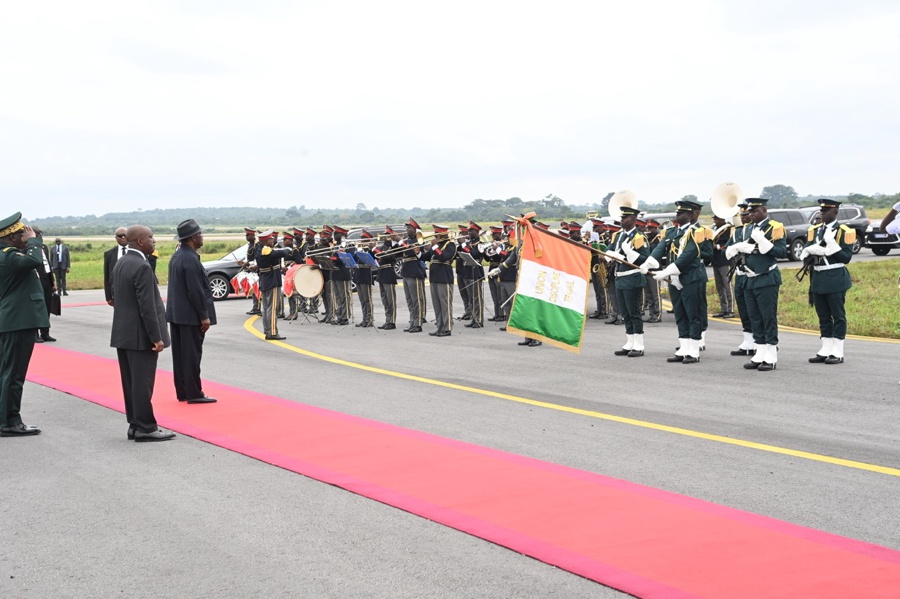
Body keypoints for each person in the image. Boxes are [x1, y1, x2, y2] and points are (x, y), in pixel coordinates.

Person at [110, 225, 175, 442]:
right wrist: (156, 337)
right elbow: (147, 306)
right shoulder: (142, 266)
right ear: (140, 241)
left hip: (124, 333)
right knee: (142, 384)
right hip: (141, 336)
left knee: (131, 383)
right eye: (150, 237)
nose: (153, 241)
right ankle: (146, 427)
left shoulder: (122, 262)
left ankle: (135, 424)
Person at [0, 213, 48, 437]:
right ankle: (10, 422)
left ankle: (5, 419)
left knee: (8, 373)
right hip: (18, 321)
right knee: (14, 374)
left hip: (13, 320)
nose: (26, 236)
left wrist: (29, 242)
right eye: (22, 234)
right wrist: (34, 242)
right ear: (11, 237)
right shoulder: (9, 256)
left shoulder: (7, 254)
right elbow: (34, 261)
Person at [644, 200, 707, 364]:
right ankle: (684, 347)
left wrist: (666, 271)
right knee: (680, 313)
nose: (677, 215)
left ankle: (694, 350)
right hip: (675, 278)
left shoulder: (697, 232)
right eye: (677, 213)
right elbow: (660, 248)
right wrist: (649, 263)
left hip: (691, 277)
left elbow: (689, 254)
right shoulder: (671, 232)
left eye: (681, 213)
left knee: (693, 314)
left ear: (690, 215)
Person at [728, 198, 787, 371]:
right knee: (755, 318)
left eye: (755, 211)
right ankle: (760, 352)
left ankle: (771, 354)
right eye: (750, 211)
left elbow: (781, 252)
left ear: (764, 211)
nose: (751, 214)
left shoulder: (774, 227)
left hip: (766, 278)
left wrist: (763, 242)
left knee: (767, 317)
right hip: (749, 279)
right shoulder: (747, 229)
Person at [166, 219, 217, 404]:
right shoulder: (190, 259)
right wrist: (204, 316)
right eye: (200, 234)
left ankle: (183, 391)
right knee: (192, 356)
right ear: (193, 237)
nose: (202, 237)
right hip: (190, 316)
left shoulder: (177, 256)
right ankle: (194, 393)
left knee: (180, 356)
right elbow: (195, 291)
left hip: (177, 315)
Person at [802, 199, 854, 364]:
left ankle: (838, 351)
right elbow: (808, 252)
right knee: (823, 315)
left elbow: (846, 258)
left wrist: (832, 245)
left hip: (835, 277)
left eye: (826, 211)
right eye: (821, 211)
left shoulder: (844, 231)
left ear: (835, 212)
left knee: (837, 315)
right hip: (818, 277)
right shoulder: (814, 230)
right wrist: (809, 251)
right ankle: (826, 348)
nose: (822, 214)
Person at [603, 207, 650, 357]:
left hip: (632, 278)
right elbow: (609, 250)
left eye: (625, 218)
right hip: (620, 278)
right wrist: (611, 255)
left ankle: (639, 344)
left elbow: (645, 258)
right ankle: (630, 341)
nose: (622, 220)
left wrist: (628, 253)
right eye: (622, 218)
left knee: (634, 312)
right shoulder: (618, 236)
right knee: (625, 313)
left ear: (634, 220)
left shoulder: (639, 237)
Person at [726, 203, 756, 356]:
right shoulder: (737, 231)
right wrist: (731, 250)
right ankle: (748, 340)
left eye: (745, 215)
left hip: (751, 273)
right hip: (739, 273)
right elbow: (728, 248)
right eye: (741, 215)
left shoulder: (754, 229)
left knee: (754, 309)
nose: (743, 218)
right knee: (743, 308)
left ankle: (759, 340)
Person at [255, 230, 293, 340]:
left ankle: (267, 331)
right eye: (271, 239)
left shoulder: (259, 249)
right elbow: (283, 253)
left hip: (265, 281)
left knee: (266, 308)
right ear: (266, 241)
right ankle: (272, 332)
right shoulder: (267, 251)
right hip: (272, 281)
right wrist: (289, 249)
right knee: (272, 308)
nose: (273, 241)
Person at [420, 225, 457, 337]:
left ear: (443, 234)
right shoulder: (437, 246)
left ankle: (447, 328)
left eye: (437, 233)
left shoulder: (450, 245)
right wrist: (417, 252)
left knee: (445, 304)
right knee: (437, 305)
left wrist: (435, 246)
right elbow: (425, 257)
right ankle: (440, 327)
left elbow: (444, 257)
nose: (435, 236)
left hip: (444, 278)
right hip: (434, 277)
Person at [400, 219, 427, 333]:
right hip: (406, 272)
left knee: (416, 300)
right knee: (410, 300)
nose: (407, 230)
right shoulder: (407, 241)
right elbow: (399, 253)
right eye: (407, 228)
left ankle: (418, 323)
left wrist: (400, 242)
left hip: (414, 272)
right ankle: (412, 322)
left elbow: (411, 251)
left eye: (409, 228)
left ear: (415, 230)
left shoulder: (419, 240)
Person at [31, 227, 56, 343]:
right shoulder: (29, 248)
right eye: (39, 234)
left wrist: (52, 281)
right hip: (37, 280)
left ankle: (45, 333)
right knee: (37, 308)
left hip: (47, 279)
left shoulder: (44, 247)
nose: (41, 236)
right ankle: (35, 334)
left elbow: (48, 265)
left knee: (47, 306)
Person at [373, 226, 400, 329]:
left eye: (388, 235)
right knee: (384, 299)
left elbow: (388, 256)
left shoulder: (394, 246)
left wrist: (376, 250)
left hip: (389, 273)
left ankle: (392, 321)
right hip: (381, 274)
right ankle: (387, 319)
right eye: (385, 235)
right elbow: (376, 255)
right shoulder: (383, 246)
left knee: (390, 300)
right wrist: (373, 249)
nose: (385, 237)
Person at [710, 215, 735, 318]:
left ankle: (731, 310)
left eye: (716, 219)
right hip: (716, 260)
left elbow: (730, 244)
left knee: (728, 286)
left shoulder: (728, 229)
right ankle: (723, 309)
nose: (715, 221)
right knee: (720, 287)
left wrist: (716, 246)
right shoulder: (714, 229)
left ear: (722, 219)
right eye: (714, 219)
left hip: (725, 260)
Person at [103, 227, 129, 306]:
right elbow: (107, 276)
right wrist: (108, 296)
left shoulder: (137, 251)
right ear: (116, 238)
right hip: (116, 293)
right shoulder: (109, 254)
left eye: (125, 235)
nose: (123, 237)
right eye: (120, 236)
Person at [239, 227, 261, 315]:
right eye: (246, 235)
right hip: (251, 269)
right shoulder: (250, 245)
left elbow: (257, 259)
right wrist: (243, 263)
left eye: (248, 235)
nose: (246, 237)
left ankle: (258, 308)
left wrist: (249, 264)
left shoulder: (257, 245)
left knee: (257, 289)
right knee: (253, 289)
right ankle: (255, 307)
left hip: (256, 269)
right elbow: (249, 258)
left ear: (252, 235)